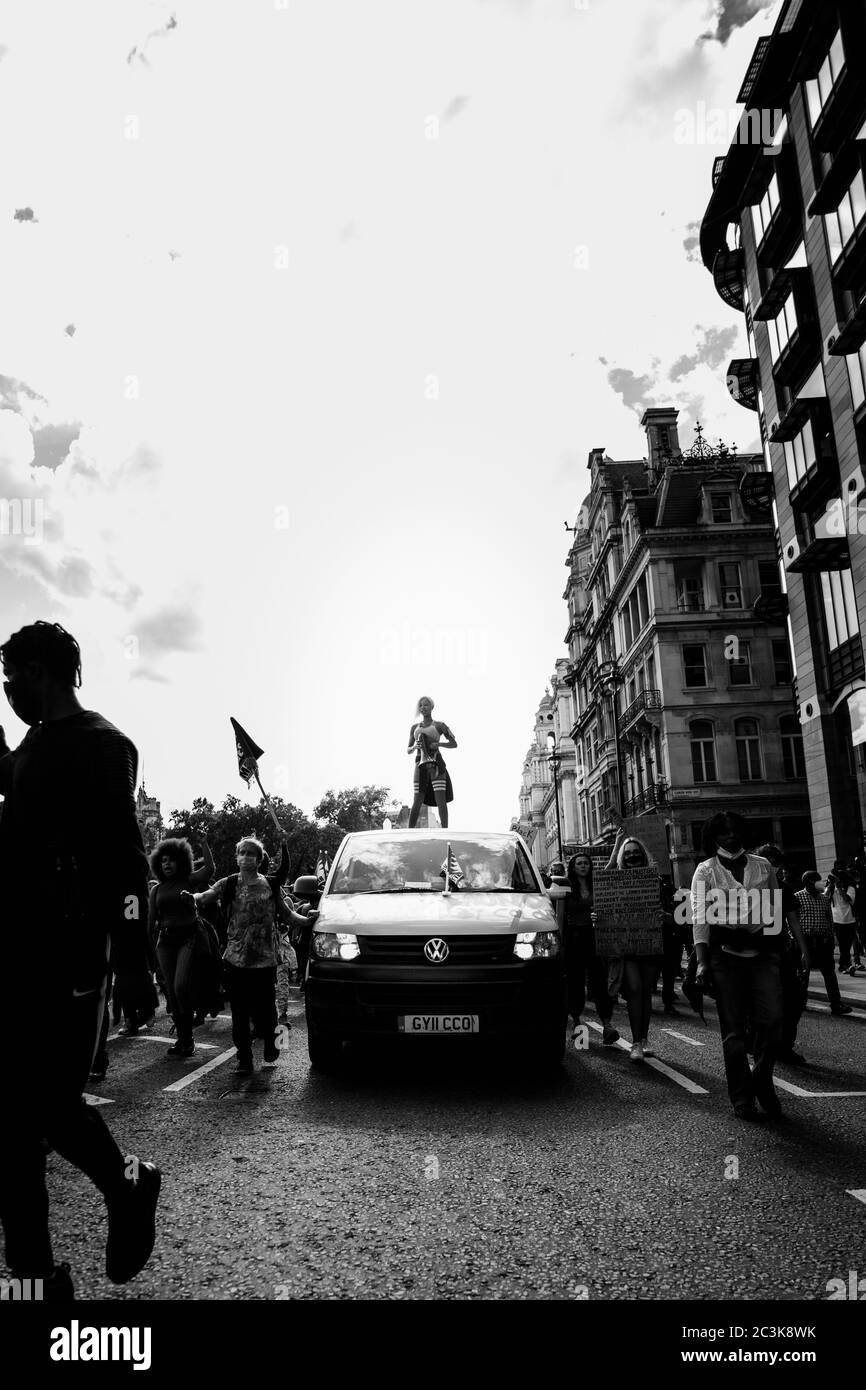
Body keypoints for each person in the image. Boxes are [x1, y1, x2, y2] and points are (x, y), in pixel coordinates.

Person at [0, 621, 161, 1299]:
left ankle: (130, 1184)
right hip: (17, 952)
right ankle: (36, 1281)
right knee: (11, 1125)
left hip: (68, 958)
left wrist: (131, 961)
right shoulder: (35, 745)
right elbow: (16, 781)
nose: (8, 687)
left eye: (12, 674)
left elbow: (126, 864)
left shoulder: (101, 745)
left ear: (39, 671)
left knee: (50, 1107)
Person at [692, 812, 806, 1121]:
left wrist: (779, 950)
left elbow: (772, 909)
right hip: (724, 957)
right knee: (734, 1032)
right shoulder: (705, 872)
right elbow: (700, 918)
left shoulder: (762, 865)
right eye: (724, 831)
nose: (730, 836)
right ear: (713, 837)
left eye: (735, 830)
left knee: (773, 1021)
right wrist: (702, 963)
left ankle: (762, 1078)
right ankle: (742, 1095)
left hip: (763, 955)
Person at [190, 837, 316, 1074]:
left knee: (267, 1011)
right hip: (236, 960)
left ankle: (273, 1043)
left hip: (265, 960)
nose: (246, 857)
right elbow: (205, 896)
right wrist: (192, 897)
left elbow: (288, 915)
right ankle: (244, 1059)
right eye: (242, 852)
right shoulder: (227, 884)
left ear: (259, 860)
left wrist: (307, 920)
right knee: (239, 1013)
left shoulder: (270, 885)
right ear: (237, 857)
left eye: (251, 853)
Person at [597, 829, 668, 1064]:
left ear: (643, 855)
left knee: (645, 992)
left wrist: (663, 915)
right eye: (627, 853)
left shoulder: (654, 880)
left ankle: (644, 1039)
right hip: (625, 946)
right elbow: (602, 888)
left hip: (649, 943)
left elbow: (672, 914)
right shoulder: (615, 880)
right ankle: (636, 1042)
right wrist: (598, 916)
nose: (632, 856)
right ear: (622, 857)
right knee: (635, 989)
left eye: (636, 852)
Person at [148, 835, 215, 1057]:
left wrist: (203, 844)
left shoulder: (189, 880)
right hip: (165, 943)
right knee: (171, 992)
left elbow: (209, 869)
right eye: (163, 860)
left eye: (171, 860)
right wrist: (146, 951)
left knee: (179, 986)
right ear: (158, 864)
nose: (167, 864)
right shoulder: (156, 890)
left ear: (181, 862)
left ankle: (188, 1036)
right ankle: (184, 1040)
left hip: (188, 938)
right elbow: (150, 923)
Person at [755, 844, 809, 1066]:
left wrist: (804, 950)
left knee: (794, 1000)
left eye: (775, 864)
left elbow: (793, 922)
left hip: (780, 951)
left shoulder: (783, 889)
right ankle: (758, 1042)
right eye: (766, 863)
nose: (771, 868)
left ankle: (785, 1046)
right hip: (755, 953)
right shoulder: (747, 889)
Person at [558, 852, 619, 1047]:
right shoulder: (565, 886)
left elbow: (610, 868)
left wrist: (617, 845)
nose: (583, 866)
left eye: (586, 863)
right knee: (575, 983)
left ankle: (607, 1025)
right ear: (573, 867)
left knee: (599, 981)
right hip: (574, 940)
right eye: (579, 863)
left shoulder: (597, 884)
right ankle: (577, 1024)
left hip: (594, 939)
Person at [795, 871, 852, 1015]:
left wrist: (831, 939)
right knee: (803, 973)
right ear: (809, 882)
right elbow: (792, 922)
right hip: (805, 941)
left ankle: (836, 1004)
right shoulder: (797, 897)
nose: (821, 883)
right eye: (817, 880)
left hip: (822, 941)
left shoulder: (824, 899)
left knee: (829, 973)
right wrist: (798, 944)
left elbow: (829, 920)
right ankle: (800, 1002)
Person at [407, 696, 457, 829]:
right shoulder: (414, 728)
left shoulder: (440, 725)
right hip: (419, 764)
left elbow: (454, 743)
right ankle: (409, 831)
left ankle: (445, 830)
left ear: (432, 707)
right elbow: (408, 749)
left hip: (436, 763)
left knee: (440, 799)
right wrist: (414, 747)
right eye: (421, 705)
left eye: (426, 705)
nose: (423, 708)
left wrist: (439, 744)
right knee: (417, 799)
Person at [829, 861, 861, 976]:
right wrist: (831, 885)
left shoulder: (850, 887)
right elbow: (825, 897)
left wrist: (839, 887)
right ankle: (845, 965)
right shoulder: (832, 887)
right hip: (837, 920)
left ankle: (847, 964)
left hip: (849, 920)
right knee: (843, 945)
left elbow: (848, 899)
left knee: (848, 944)